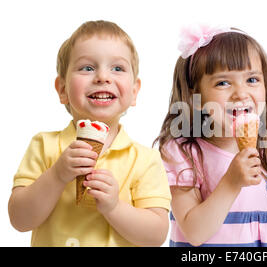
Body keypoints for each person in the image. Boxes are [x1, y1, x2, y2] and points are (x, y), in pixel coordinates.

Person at [8, 20, 171, 247]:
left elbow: (156, 236)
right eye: (87, 68)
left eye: (117, 68)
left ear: (134, 92)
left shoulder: (145, 160)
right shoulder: (44, 145)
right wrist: (56, 176)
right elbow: (19, 220)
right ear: (62, 90)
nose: (103, 77)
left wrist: (115, 207)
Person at [154, 25, 267, 247]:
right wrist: (231, 182)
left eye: (252, 80)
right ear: (194, 93)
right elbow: (194, 233)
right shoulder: (183, 154)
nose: (241, 93)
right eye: (223, 83)